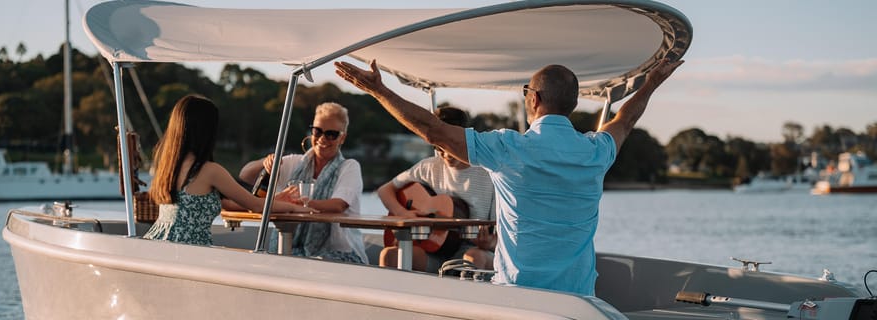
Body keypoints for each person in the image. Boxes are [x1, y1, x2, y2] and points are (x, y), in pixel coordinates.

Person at [335, 58, 683, 295]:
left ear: (533, 99)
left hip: (520, 295)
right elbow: (624, 120)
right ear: (573, 105)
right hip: (578, 298)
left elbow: (432, 129)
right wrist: (651, 84)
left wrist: (378, 90)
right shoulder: (596, 152)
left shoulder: (508, 147)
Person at [143, 95, 309, 246]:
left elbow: (227, 203)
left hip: (158, 245)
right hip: (188, 252)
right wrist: (293, 207)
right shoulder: (210, 171)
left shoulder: (167, 167)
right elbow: (255, 205)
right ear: (206, 131)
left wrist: (277, 200)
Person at [238, 102, 368, 264]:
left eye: (331, 134)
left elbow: (338, 205)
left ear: (342, 138)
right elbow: (246, 175)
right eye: (317, 131)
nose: (322, 139)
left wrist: (294, 205)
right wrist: (267, 162)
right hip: (293, 249)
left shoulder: (349, 167)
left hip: (342, 252)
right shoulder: (295, 162)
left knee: (297, 263)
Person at [378, 106, 496, 273]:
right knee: (390, 255)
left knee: (472, 257)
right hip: (433, 251)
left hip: (472, 251)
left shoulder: (488, 175)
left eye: (450, 146)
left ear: (463, 139)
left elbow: (502, 237)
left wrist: (489, 243)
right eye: (439, 147)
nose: (445, 153)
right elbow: (385, 190)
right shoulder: (429, 167)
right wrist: (403, 213)